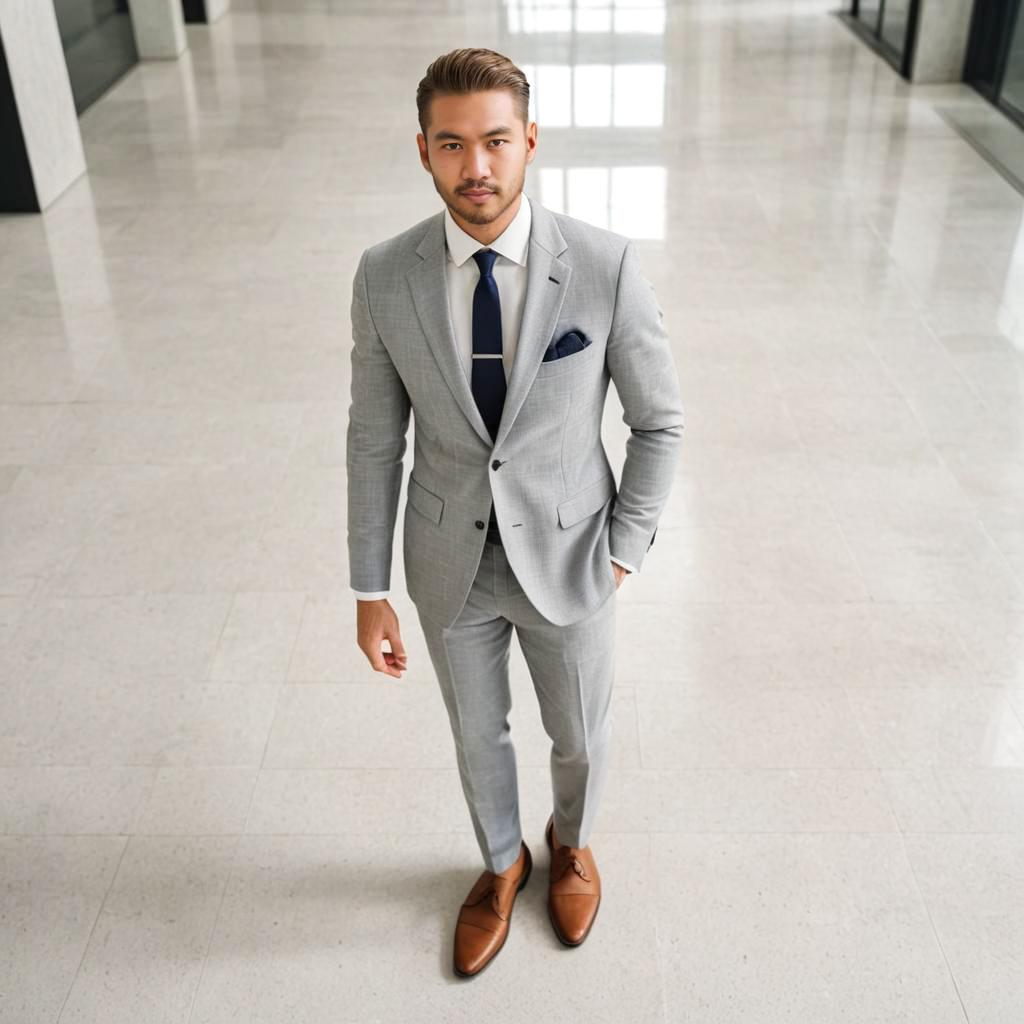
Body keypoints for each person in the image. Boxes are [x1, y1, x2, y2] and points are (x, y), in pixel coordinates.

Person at [346, 46, 684, 978]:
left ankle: (570, 844)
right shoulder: (384, 277)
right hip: (449, 560)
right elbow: (374, 440)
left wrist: (622, 550)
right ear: (423, 151)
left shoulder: (605, 267)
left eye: (497, 141)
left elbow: (660, 424)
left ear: (530, 141)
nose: (478, 168)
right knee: (474, 730)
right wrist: (369, 587)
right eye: (452, 145)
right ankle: (501, 861)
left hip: (575, 560)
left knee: (577, 732)